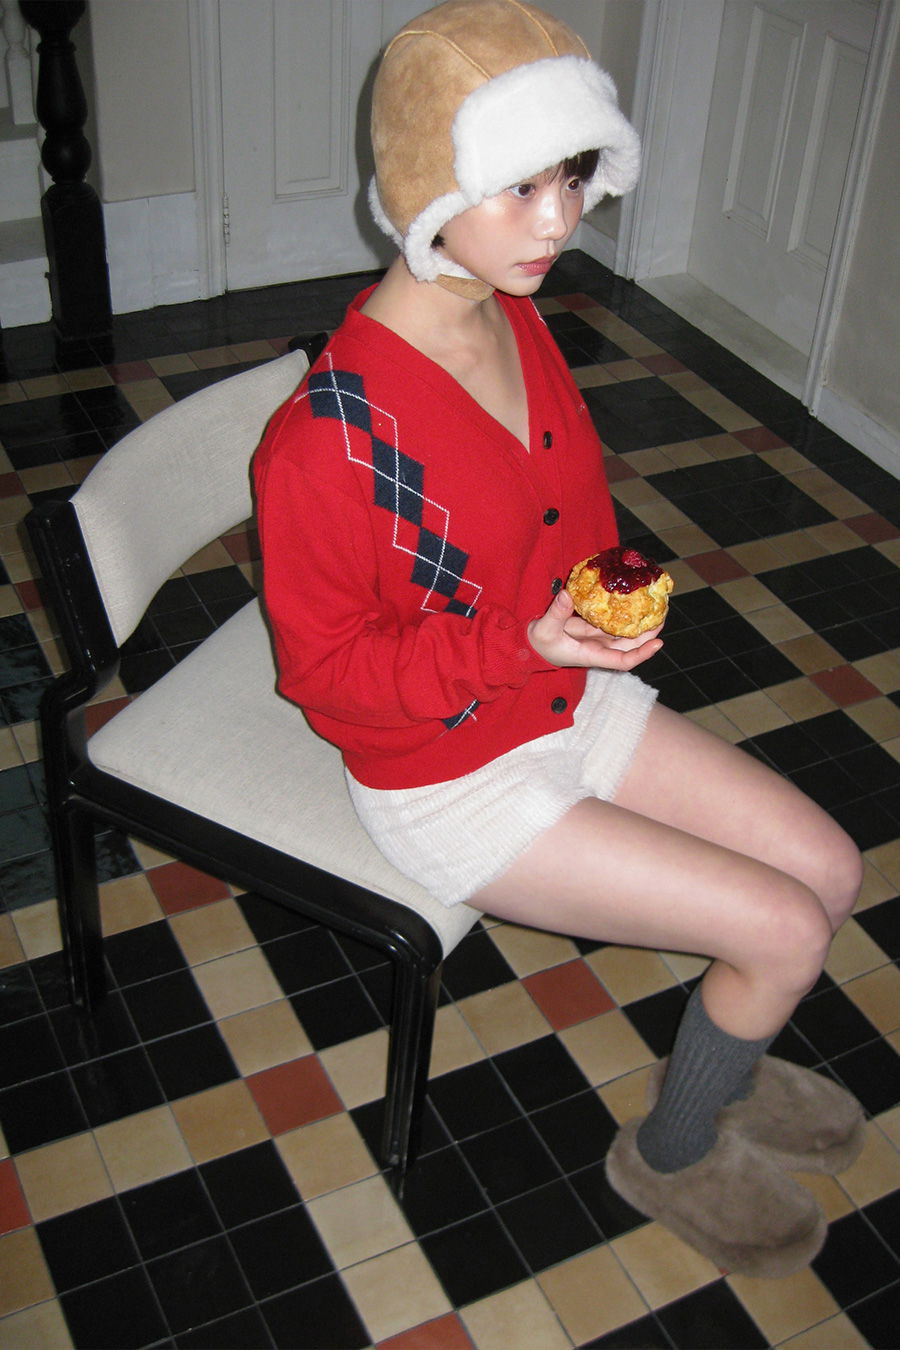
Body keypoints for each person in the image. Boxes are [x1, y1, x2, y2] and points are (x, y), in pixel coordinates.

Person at [254, 0, 864, 1278]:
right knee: (785, 930)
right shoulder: (329, 439)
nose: (559, 221)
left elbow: (562, 516)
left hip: (561, 698)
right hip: (449, 779)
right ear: (428, 187)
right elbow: (327, 677)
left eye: (574, 178)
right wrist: (524, 646)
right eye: (520, 185)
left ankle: (729, 1059)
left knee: (829, 870)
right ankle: (675, 1153)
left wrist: (601, 604)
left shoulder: (509, 310)